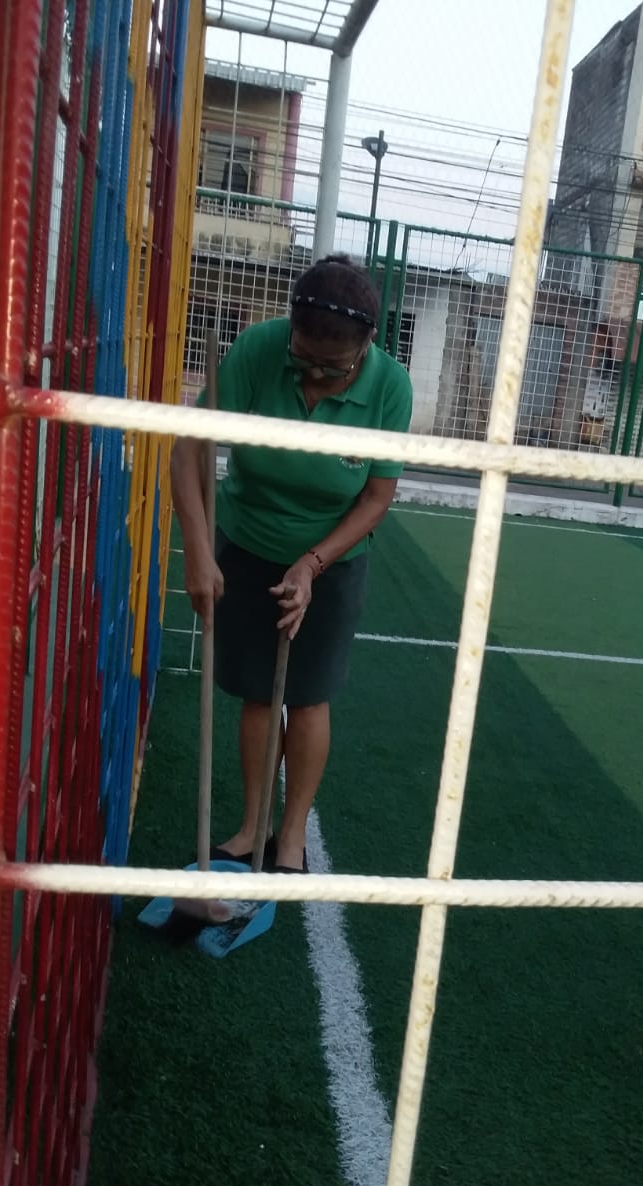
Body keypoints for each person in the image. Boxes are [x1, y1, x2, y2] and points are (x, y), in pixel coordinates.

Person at [170, 255, 413, 873]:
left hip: (333, 555)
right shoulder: (258, 349)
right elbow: (188, 450)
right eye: (304, 358)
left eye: (334, 367)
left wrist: (311, 566)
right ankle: (251, 828)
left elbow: (376, 497)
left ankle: (292, 836)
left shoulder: (390, 387)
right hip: (248, 539)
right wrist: (198, 550)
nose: (314, 375)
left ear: (367, 344)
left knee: (306, 697)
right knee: (258, 693)